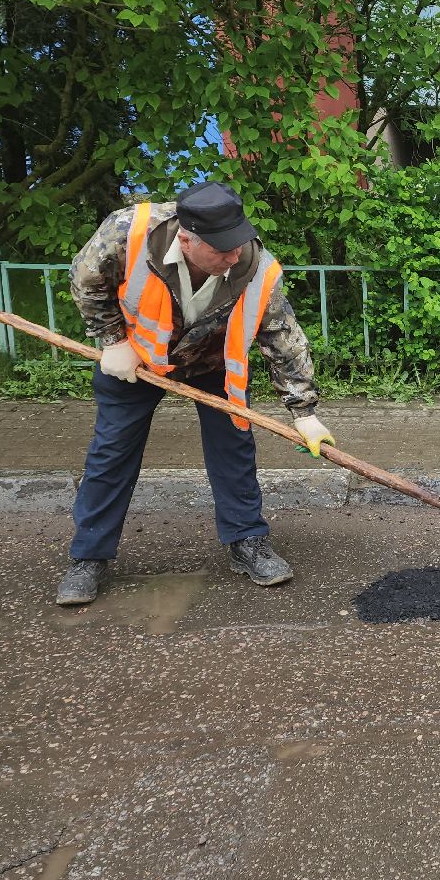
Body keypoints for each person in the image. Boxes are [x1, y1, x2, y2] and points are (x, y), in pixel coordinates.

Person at [55, 180, 335, 606]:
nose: (234, 256)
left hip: (213, 362)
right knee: (112, 452)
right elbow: (86, 279)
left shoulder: (256, 266)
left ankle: (247, 541)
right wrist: (113, 341)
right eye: (222, 249)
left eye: (238, 243)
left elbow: (282, 336)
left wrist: (304, 411)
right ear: (186, 240)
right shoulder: (128, 232)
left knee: (234, 448)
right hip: (137, 361)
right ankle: (88, 557)